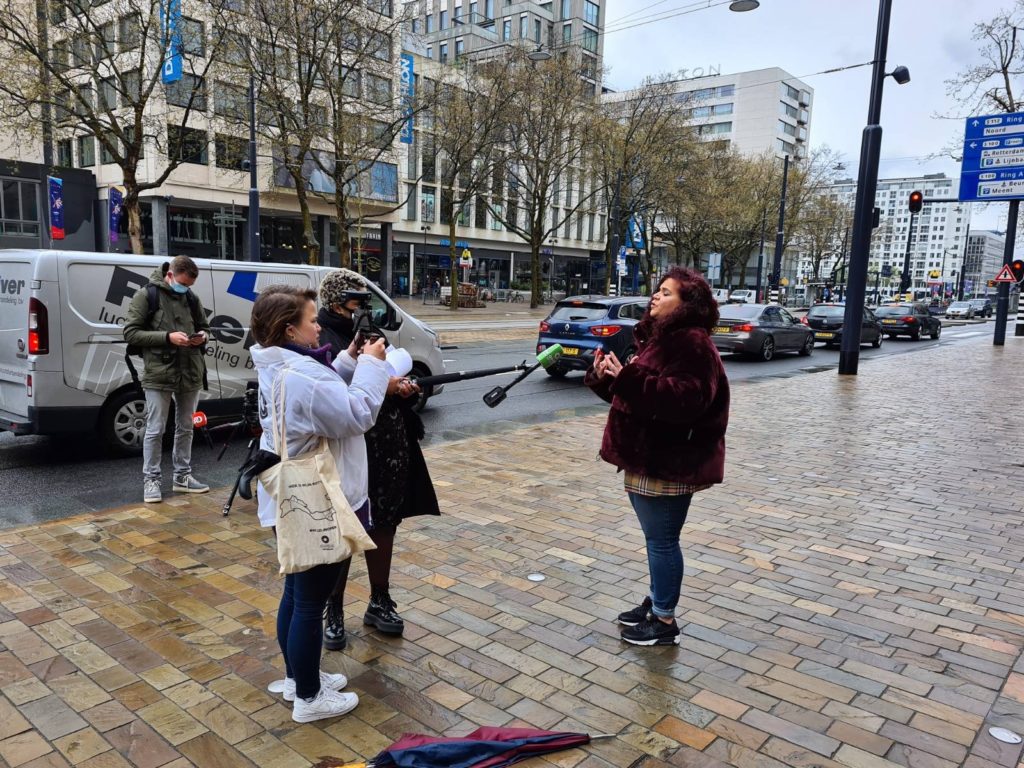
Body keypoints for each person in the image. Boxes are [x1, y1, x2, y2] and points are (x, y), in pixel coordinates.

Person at [250, 284, 389, 723]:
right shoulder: (303, 377)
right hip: (319, 498)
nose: (319, 326)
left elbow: (323, 402)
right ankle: (309, 698)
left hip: (292, 495)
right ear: (290, 329)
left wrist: (348, 359)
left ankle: (298, 677)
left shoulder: (280, 367)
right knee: (311, 600)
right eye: (312, 320)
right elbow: (356, 413)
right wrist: (371, 364)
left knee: (296, 592)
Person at [585, 267, 729, 647]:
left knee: (663, 540)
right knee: (657, 539)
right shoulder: (660, 339)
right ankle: (658, 601)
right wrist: (608, 378)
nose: (655, 297)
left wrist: (628, 379)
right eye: (657, 290)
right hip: (648, 457)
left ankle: (664, 620)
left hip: (670, 460)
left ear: (687, 304)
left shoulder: (692, 342)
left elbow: (686, 400)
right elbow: (635, 400)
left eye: (666, 293)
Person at [316, 269, 440, 651]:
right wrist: (381, 382)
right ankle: (332, 608)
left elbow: (387, 369)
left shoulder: (368, 333)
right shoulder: (322, 336)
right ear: (336, 302)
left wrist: (400, 386)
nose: (360, 309)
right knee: (344, 525)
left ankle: (379, 599)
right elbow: (331, 392)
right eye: (355, 301)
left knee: (385, 521)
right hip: (351, 444)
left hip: (387, 442)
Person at [123, 256, 211, 504]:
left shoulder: (191, 298)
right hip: (159, 372)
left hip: (190, 370)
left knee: (186, 427)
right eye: (183, 283)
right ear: (169, 275)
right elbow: (130, 332)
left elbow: (206, 327)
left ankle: (182, 476)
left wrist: (202, 336)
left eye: (190, 285)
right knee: (155, 429)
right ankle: (151, 480)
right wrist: (167, 337)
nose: (186, 289)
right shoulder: (146, 295)